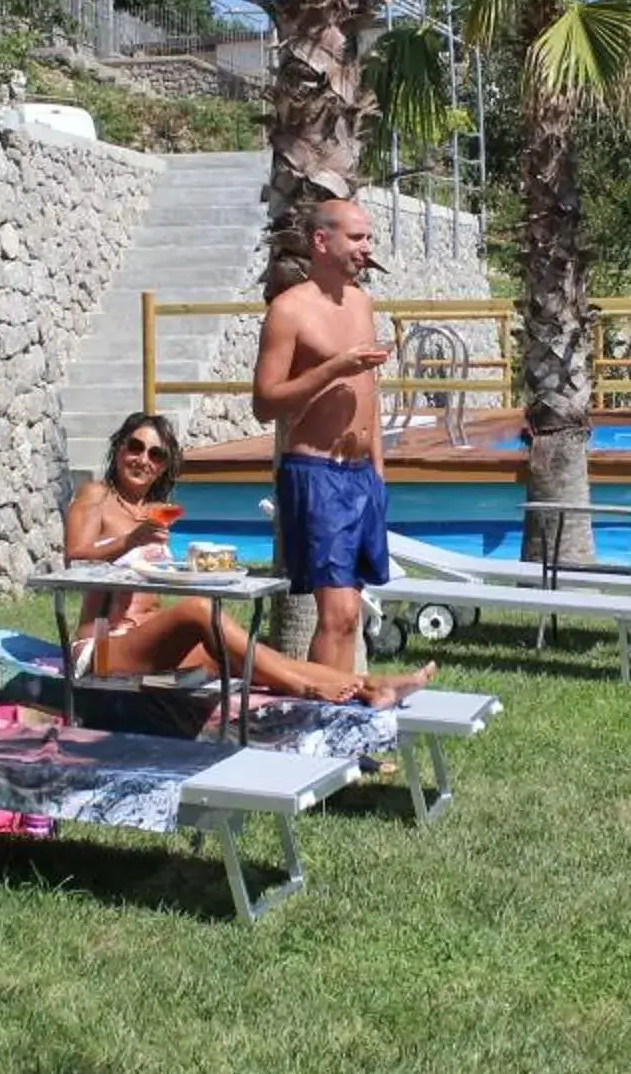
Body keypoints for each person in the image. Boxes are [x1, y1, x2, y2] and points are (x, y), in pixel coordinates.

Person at [62, 409, 434, 706]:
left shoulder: (154, 511)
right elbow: (74, 560)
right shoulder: (97, 495)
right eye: (135, 447)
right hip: (102, 649)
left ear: (163, 466)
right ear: (119, 448)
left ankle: (370, 686)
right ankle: (306, 688)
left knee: (252, 657)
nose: (143, 459)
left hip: (151, 643)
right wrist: (130, 541)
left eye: (156, 454)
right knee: (199, 611)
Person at [251, 196, 394, 676]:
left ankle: (341, 710)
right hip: (316, 472)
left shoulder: (361, 302)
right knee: (337, 614)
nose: (366, 247)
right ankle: (322, 712)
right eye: (356, 237)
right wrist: (335, 367)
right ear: (321, 240)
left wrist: (378, 467)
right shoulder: (289, 310)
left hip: (362, 475)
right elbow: (265, 403)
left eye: (368, 237)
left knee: (351, 617)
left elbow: (368, 389)